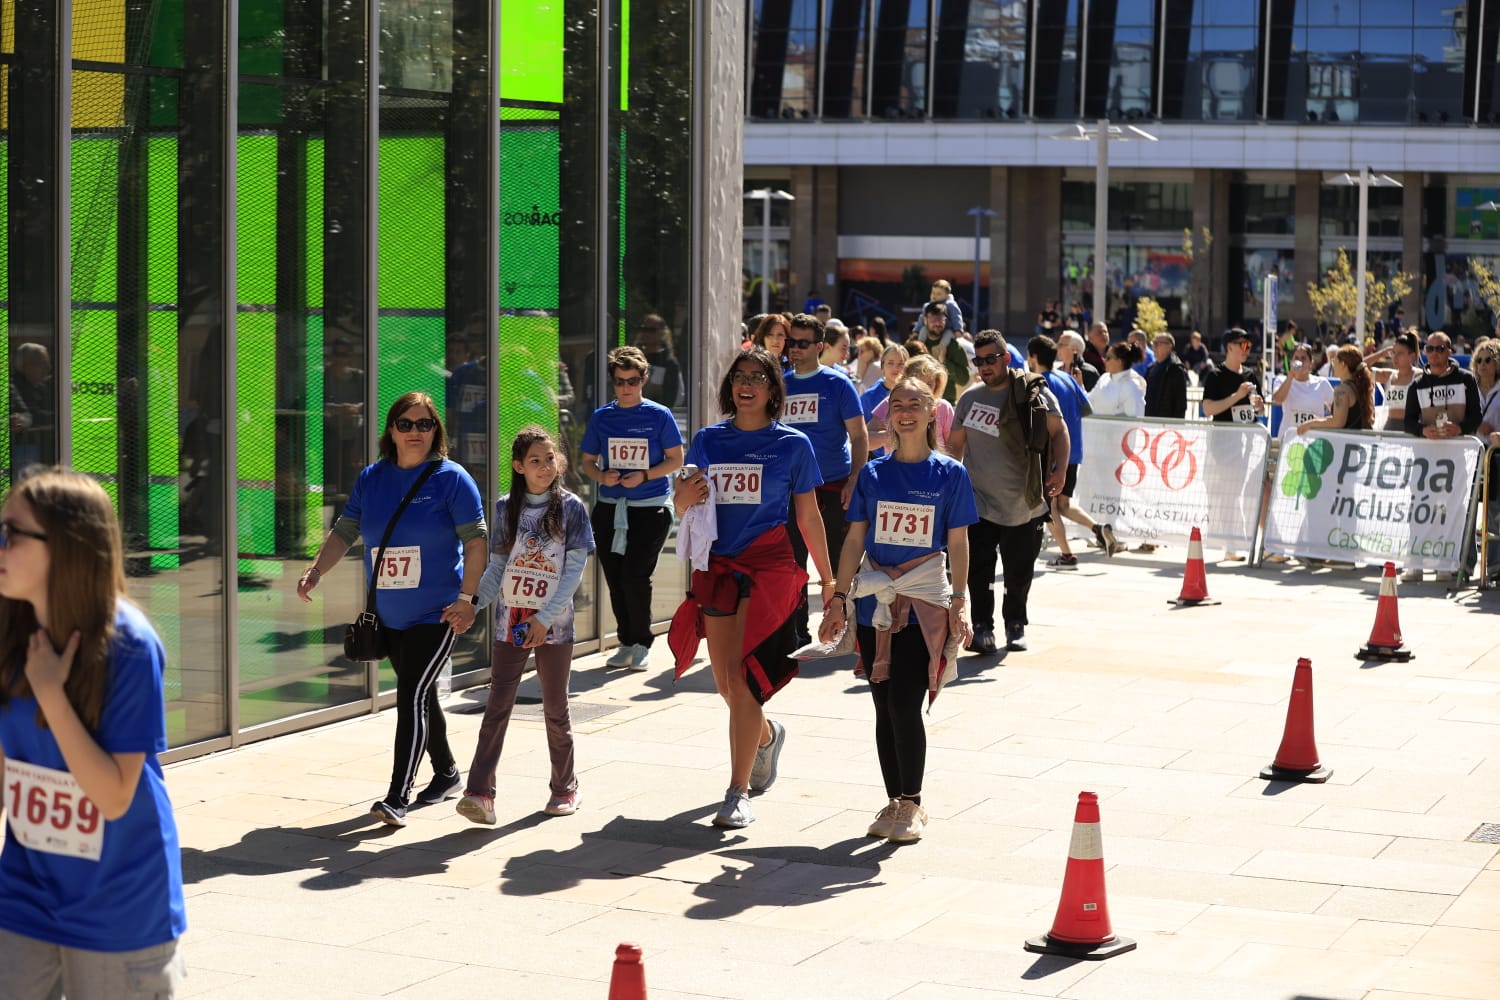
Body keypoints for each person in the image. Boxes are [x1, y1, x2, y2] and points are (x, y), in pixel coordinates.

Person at [0, 468, 187, 995]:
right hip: (25, 893)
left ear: (65, 545)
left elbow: (111, 796)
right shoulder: (10, 630)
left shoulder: (128, 644)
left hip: (120, 905)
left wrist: (51, 694)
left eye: (10, 534)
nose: (0, 546)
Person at [297, 392, 488, 826]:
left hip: (438, 613)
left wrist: (467, 599)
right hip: (388, 614)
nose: (415, 432)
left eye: (424, 424)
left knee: (409, 697)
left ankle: (397, 797)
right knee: (421, 698)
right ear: (391, 430)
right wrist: (315, 572)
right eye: (406, 424)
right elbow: (345, 532)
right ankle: (447, 774)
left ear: (436, 430)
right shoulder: (372, 478)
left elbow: (477, 543)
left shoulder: (452, 479)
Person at [668, 348, 836, 829]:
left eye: (758, 377)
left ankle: (736, 792)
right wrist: (681, 497)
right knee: (725, 684)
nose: (747, 384)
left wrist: (828, 581)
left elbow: (808, 516)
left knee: (743, 681)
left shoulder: (793, 445)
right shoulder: (707, 440)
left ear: (772, 389)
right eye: (739, 376)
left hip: (769, 568)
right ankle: (765, 736)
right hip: (719, 568)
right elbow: (685, 503)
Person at [818, 377, 977, 844]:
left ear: (932, 412)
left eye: (915, 403)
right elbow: (853, 539)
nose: (905, 411)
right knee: (883, 706)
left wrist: (960, 602)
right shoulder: (871, 473)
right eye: (898, 404)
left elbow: (959, 542)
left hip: (923, 603)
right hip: (874, 604)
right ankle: (893, 799)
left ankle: (913, 803)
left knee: (906, 702)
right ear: (888, 414)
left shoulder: (950, 475)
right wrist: (840, 598)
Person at [447, 428, 595, 825]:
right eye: (535, 461)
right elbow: (497, 568)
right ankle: (480, 792)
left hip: (554, 626)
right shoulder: (505, 508)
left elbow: (574, 569)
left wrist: (545, 619)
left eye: (550, 459)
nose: (545, 467)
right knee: (497, 705)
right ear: (519, 467)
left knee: (555, 708)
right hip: (510, 622)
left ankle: (565, 787)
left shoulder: (572, 508)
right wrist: (474, 605)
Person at [946, 330, 1068, 654]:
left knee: (1018, 572)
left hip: (1023, 503)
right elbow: (954, 447)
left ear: (1006, 358)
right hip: (978, 502)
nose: (984, 366)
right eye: (979, 360)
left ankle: (1016, 624)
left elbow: (1059, 431)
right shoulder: (970, 399)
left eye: (990, 359)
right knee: (979, 569)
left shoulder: (1030, 391)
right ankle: (982, 627)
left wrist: (1060, 470)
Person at [579, 346, 685, 670]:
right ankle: (625, 640)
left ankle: (641, 642)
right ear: (613, 382)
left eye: (633, 381)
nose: (627, 388)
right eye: (620, 381)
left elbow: (676, 459)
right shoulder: (602, 417)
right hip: (611, 506)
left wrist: (645, 475)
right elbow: (587, 462)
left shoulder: (658, 414)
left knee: (635, 575)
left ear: (644, 379)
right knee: (615, 577)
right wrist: (602, 475)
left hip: (650, 507)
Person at [782, 313, 869, 645]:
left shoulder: (837, 384)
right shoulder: (781, 384)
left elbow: (860, 437)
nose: (795, 349)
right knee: (793, 563)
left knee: (837, 564)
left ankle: (845, 627)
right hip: (790, 490)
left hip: (832, 486)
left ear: (819, 346)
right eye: (792, 342)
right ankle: (796, 632)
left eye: (803, 344)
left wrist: (854, 480)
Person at [1030, 335, 1117, 567]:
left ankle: (1067, 555)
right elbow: (1087, 410)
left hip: (1054, 454)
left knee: (1048, 507)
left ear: (1034, 358)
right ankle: (1098, 529)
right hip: (1075, 451)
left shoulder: (1040, 383)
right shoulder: (1067, 379)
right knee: (1064, 504)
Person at [1200, 329, 1265, 562]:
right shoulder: (1216, 375)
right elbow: (1208, 409)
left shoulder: (1250, 374)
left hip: (1247, 443)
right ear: (1230, 347)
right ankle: (1233, 543)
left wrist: (1258, 405)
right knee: (1231, 494)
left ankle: (1240, 542)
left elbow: (1260, 410)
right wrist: (1236, 396)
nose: (1247, 350)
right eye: (1243, 345)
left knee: (1243, 493)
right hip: (1224, 443)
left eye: (1249, 345)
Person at [870, 354, 955, 452]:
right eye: (917, 383)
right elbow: (866, 440)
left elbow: (953, 447)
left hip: (935, 466)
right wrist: (892, 435)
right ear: (905, 381)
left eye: (929, 384)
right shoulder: (891, 403)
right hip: (898, 466)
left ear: (937, 384)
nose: (922, 389)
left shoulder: (944, 407)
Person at [322, 335, 366, 499]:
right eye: (338, 354)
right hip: (328, 432)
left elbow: (373, 400)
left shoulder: (359, 377)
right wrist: (334, 409)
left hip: (354, 433)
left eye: (345, 355)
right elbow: (309, 401)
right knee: (331, 475)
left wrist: (357, 408)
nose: (341, 359)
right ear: (331, 356)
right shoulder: (322, 376)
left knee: (349, 477)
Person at [1297, 345, 1374, 435]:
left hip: (1347, 444)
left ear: (1343, 365)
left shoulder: (1342, 390)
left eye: (1334, 361)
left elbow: (1338, 422)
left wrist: (1310, 424)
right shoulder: (1357, 386)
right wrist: (1319, 420)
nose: (1332, 365)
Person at [1270, 342, 1335, 442]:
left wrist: (1321, 421)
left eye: (1303, 358)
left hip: (1313, 441)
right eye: (1296, 358)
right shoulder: (1282, 380)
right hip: (1289, 439)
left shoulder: (1322, 383)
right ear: (1291, 361)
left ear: (1310, 363)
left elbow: (1336, 410)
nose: (1299, 361)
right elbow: (1278, 400)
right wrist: (1291, 376)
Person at [916, 301, 971, 404]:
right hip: (917, 402)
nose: (937, 323)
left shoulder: (954, 347)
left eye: (941, 319)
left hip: (945, 403)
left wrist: (944, 362)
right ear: (925, 320)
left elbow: (963, 380)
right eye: (933, 319)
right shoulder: (915, 343)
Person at [862, 343, 910, 459]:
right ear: (882, 366)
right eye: (890, 363)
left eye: (900, 364)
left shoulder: (913, 391)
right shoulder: (869, 396)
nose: (895, 368)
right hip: (879, 458)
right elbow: (862, 435)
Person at [1372, 332, 1420, 432]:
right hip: (1390, 428)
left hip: (1411, 429)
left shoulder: (1419, 376)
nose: (1395, 357)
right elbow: (1358, 369)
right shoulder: (1389, 375)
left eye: (1400, 353)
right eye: (1393, 352)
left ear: (1412, 355)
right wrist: (1381, 353)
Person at [634, 314, 683, 408]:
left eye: (652, 330)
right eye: (643, 329)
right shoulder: (633, 358)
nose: (646, 333)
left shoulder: (668, 362)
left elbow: (670, 399)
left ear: (662, 333)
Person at [1088, 342, 1146, 417]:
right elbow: (1090, 400)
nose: (1104, 360)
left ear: (1119, 362)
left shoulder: (1132, 386)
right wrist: (1080, 386)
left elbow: (1136, 420)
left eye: (1108, 358)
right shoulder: (1104, 377)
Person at [1144, 331, 1189, 419]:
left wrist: (1175, 427)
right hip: (1149, 422)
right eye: (1153, 343)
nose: (1154, 347)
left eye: (1158, 344)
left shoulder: (1176, 369)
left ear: (1169, 346)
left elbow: (1180, 404)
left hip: (1167, 424)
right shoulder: (1151, 368)